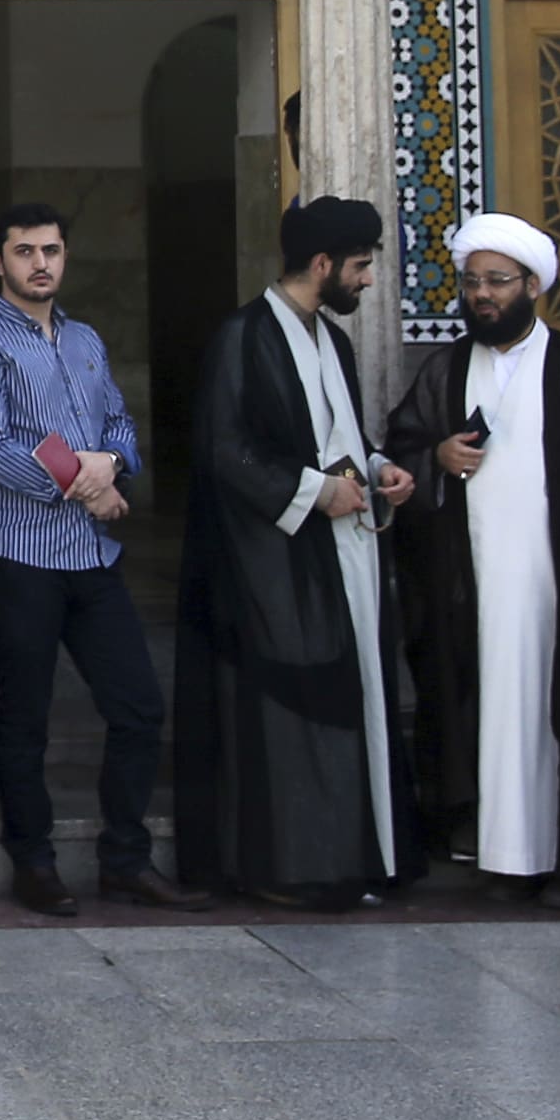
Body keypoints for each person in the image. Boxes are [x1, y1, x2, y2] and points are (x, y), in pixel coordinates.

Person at [385, 215, 560, 902]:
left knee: (558, 713)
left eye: (497, 281)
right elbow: (402, 447)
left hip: (557, 588)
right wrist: (437, 458)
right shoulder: (447, 368)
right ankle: (503, 859)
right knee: (487, 715)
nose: (481, 294)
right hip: (470, 589)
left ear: (532, 284)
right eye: (472, 281)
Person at [0, 201, 202, 916]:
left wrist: (109, 463)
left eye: (51, 250)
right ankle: (34, 862)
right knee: (26, 713)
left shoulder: (86, 338)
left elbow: (120, 422)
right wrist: (86, 486)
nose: (41, 264)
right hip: (18, 556)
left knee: (139, 707)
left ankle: (125, 859)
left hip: (92, 558)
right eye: (24, 251)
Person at [177, 196, 418, 909]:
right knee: (293, 703)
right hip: (273, 570)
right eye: (362, 266)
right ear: (322, 265)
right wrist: (317, 492)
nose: (369, 281)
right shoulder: (242, 337)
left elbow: (338, 434)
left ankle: (353, 857)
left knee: (353, 693)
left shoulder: (330, 340)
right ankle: (288, 866)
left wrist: (378, 471)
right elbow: (226, 450)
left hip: (345, 557)